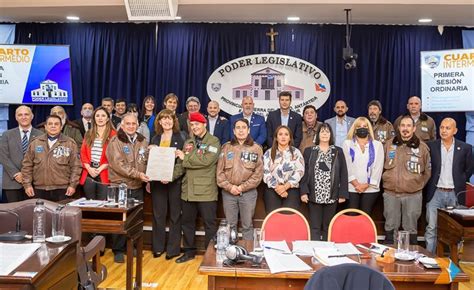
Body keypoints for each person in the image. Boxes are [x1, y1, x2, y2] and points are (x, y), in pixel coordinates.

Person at [175, 112, 220, 263]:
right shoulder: (188, 142)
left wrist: (185, 157)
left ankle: (210, 254)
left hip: (206, 191)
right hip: (188, 191)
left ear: (204, 124)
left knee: (209, 225)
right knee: (187, 223)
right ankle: (189, 252)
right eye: (192, 125)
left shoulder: (213, 141)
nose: (194, 127)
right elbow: (181, 166)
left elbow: (206, 160)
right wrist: (167, 176)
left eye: (197, 124)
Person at [424, 118, 473, 253]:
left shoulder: (465, 148)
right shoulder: (431, 146)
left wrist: (459, 180)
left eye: (447, 128)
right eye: (442, 127)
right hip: (435, 193)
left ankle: (454, 262)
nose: (444, 130)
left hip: (454, 194)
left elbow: (468, 169)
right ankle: (430, 258)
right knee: (431, 228)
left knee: (455, 230)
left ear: (455, 131)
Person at [106, 113, 149, 263]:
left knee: (135, 219)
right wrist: (138, 174)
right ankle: (118, 249)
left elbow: (146, 160)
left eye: (133, 124)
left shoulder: (142, 141)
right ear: (122, 126)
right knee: (121, 219)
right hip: (121, 186)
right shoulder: (115, 141)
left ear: (137, 125)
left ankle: (131, 247)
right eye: (128, 124)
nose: (131, 126)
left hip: (137, 185)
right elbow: (119, 165)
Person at [382, 115, 431, 244]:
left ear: (414, 128)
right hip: (391, 194)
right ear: (398, 127)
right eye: (403, 125)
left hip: (413, 195)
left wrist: (416, 185)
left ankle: (412, 258)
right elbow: (380, 167)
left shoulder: (422, 148)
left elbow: (427, 172)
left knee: (411, 229)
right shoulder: (388, 145)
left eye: (408, 126)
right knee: (390, 227)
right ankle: (389, 259)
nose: (405, 128)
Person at [217, 118, 264, 240]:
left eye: (244, 127)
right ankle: (231, 254)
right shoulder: (226, 147)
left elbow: (258, 175)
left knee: (247, 225)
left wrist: (242, 187)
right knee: (230, 225)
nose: (241, 130)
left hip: (248, 193)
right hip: (229, 193)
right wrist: (230, 187)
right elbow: (219, 174)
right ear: (233, 130)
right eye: (238, 127)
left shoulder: (256, 148)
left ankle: (247, 254)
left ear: (248, 130)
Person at [300, 123, 348, 240]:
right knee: (315, 227)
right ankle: (315, 251)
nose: (325, 134)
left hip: (332, 195)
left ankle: (327, 253)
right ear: (318, 134)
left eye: (327, 131)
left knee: (328, 226)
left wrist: (343, 194)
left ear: (331, 135)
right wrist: (303, 192)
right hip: (313, 194)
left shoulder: (338, 151)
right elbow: (304, 173)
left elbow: (343, 173)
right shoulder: (309, 151)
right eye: (322, 131)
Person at [149, 109, 185, 260]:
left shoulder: (182, 137)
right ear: (159, 122)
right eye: (163, 119)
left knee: (175, 216)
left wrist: (170, 175)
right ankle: (158, 247)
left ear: (174, 121)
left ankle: (173, 249)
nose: (167, 121)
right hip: (158, 182)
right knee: (158, 215)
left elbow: (184, 161)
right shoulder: (155, 138)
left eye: (169, 118)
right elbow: (151, 162)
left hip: (175, 182)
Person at [21, 115, 82, 201]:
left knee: (60, 214)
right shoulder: (35, 143)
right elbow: (27, 165)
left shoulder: (70, 143)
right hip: (39, 189)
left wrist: (72, 185)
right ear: (45, 127)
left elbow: (76, 167)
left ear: (61, 127)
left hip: (63, 189)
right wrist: (27, 185)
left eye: (56, 124)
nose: (53, 126)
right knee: (40, 214)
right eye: (50, 124)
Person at [342, 117, 384, 215]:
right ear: (354, 129)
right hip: (351, 187)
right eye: (359, 126)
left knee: (366, 216)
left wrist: (366, 185)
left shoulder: (377, 145)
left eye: (365, 126)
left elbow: (378, 167)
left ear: (369, 129)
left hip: (370, 188)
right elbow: (347, 166)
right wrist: (356, 184)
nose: (362, 128)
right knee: (352, 215)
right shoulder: (347, 144)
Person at [0, 106, 42, 202]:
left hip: (34, 181)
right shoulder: (7, 135)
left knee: (32, 213)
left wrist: (28, 175)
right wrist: (16, 174)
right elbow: (2, 156)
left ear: (32, 116)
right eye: (20, 115)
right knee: (14, 214)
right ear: (16, 117)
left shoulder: (41, 135)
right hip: (12, 182)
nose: (23, 117)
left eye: (26, 114)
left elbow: (42, 158)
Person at [263, 125, 305, 213]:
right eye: (280, 134)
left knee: (289, 220)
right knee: (273, 219)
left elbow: (300, 171)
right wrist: (278, 188)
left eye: (286, 134)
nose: (283, 137)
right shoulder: (268, 153)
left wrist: (285, 187)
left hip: (291, 190)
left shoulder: (296, 152)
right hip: (272, 190)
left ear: (290, 138)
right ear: (276, 138)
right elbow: (265, 172)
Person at [79, 107, 116, 200]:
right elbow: (83, 153)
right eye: (97, 116)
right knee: (90, 204)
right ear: (94, 118)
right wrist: (88, 168)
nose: (100, 118)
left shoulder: (114, 135)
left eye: (103, 116)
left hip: (105, 172)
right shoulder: (89, 133)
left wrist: (100, 168)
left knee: (103, 204)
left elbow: (115, 156)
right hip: (88, 173)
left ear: (108, 118)